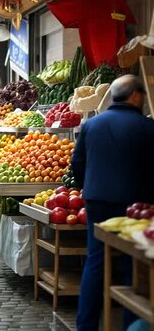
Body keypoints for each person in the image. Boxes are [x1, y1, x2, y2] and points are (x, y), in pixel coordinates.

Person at [72, 75, 154, 331]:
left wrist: (90, 186)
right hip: (134, 203)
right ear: (136, 96)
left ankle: (85, 325)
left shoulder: (91, 125)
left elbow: (77, 165)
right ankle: (130, 324)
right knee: (132, 263)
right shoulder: (148, 127)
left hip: (97, 200)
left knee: (96, 260)